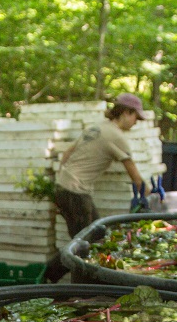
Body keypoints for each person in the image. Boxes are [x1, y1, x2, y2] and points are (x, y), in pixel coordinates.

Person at [44, 92, 150, 283]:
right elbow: (134, 174)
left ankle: (52, 275)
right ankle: (67, 284)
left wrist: (65, 179)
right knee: (84, 245)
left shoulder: (96, 128)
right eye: (136, 117)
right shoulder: (116, 136)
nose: (136, 123)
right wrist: (148, 192)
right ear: (126, 113)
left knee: (98, 235)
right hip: (75, 192)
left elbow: (67, 154)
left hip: (66, 188)